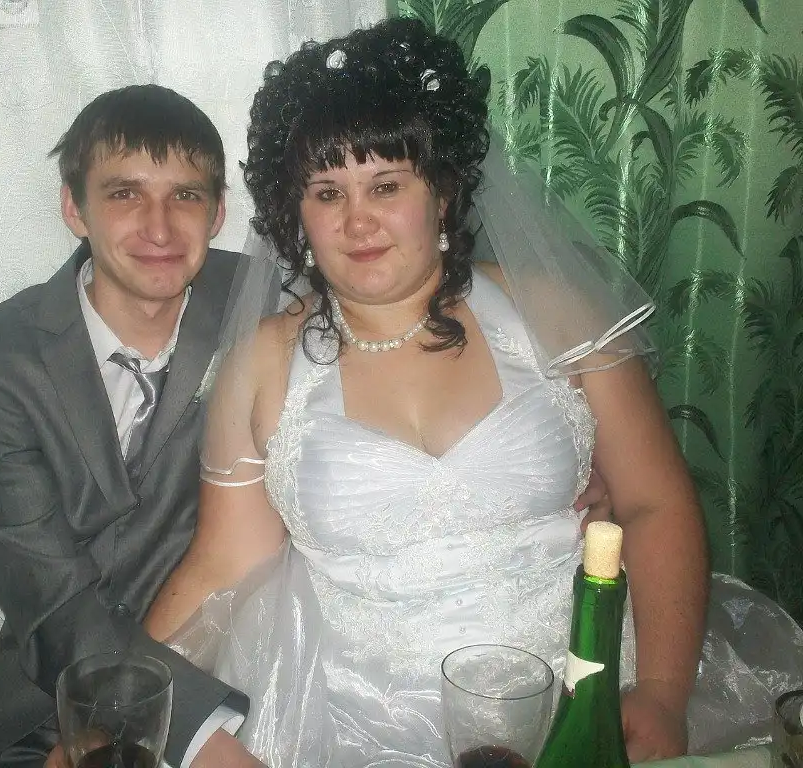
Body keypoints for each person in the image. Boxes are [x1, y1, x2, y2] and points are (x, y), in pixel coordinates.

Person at [142, 18, 803, 767]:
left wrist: (659, 692)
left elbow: (655, 501)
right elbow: (221, 564)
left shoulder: (554, 312)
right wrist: (121, 700)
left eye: (386, 185)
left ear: (445, 191)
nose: (357, 221)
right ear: (297, 212)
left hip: (577, 693)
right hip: (347, 722)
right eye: (328, 193)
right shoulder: (261, 362)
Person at [0, 85, 265, 768]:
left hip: (250, 670)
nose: (159, 227)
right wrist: (168, 733)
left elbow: (408, 286)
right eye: (123, 194)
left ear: (218, 213)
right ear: (73, 208)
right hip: (53, 693)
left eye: (185, 195)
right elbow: (45, 589)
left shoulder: (269, 304)